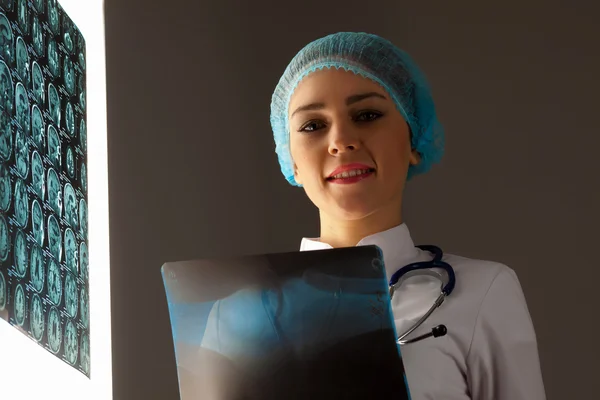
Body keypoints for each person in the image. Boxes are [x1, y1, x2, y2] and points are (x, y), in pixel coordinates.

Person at [268, 32, 546, 399]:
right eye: (312, 126)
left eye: (366, 115)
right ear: (292, 161)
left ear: (414, 140)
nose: (341, 140)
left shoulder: (483, 293)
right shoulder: (238, 316)